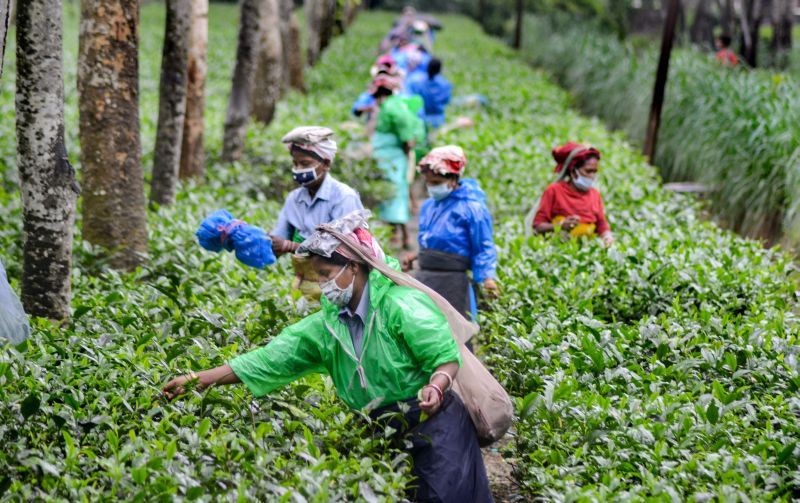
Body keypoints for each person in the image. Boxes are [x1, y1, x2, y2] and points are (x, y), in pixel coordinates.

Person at [163, 211, 493, 503]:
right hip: (379, 427)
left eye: (325, 274)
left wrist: (437, 385)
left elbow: (444, 355)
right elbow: (270, 359)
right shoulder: (327, 325)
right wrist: (199, 380)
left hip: (435, 424)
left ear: (353, 267)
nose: (321, 285)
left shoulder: (401, 306)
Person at [402, 146, 498, 325]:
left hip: (454, 282)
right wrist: (417, 256)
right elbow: (433, 240)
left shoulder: (472, 208)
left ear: (453, 179)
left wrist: (487, 278)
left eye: (436, 182)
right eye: (428, 183)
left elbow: (483, 246)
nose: (432, 187)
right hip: (425, 278)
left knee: (454, 330)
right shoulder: (429, 206)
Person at [270, 126, 364, 297]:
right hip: (303, 285)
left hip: (340, 288)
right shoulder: (294, 199)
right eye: (295, 163)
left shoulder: (343, 197)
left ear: (326, 163)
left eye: (305, 163)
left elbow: (344, 252)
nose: (298, 169)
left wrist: (291, 246)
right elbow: (279, 240)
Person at [370, 75, 427, 249]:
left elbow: (403, 124)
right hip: (394, 155)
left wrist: (406, 140)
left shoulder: (390, 106)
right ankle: (401, 236)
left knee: (392, 192)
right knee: (399, 190)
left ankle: (400, 235)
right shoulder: (399, 103)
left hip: (390, 157)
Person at [533, 142, 614, 246]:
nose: (592, 176)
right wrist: (560, 226)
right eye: (588, 171)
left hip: (587, 250)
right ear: (573, 172)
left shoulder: (595, 195)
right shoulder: (554, 190)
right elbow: (538, 226)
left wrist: (607, 237)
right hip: (557, 248)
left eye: (595, 171)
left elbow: (601, 225)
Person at [406, 58, 452, 133]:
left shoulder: (417, 82)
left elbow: (414, 99)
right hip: (439, 119)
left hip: (423, 120)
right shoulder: (445, 84)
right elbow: (447, 100)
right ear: (439, 69)